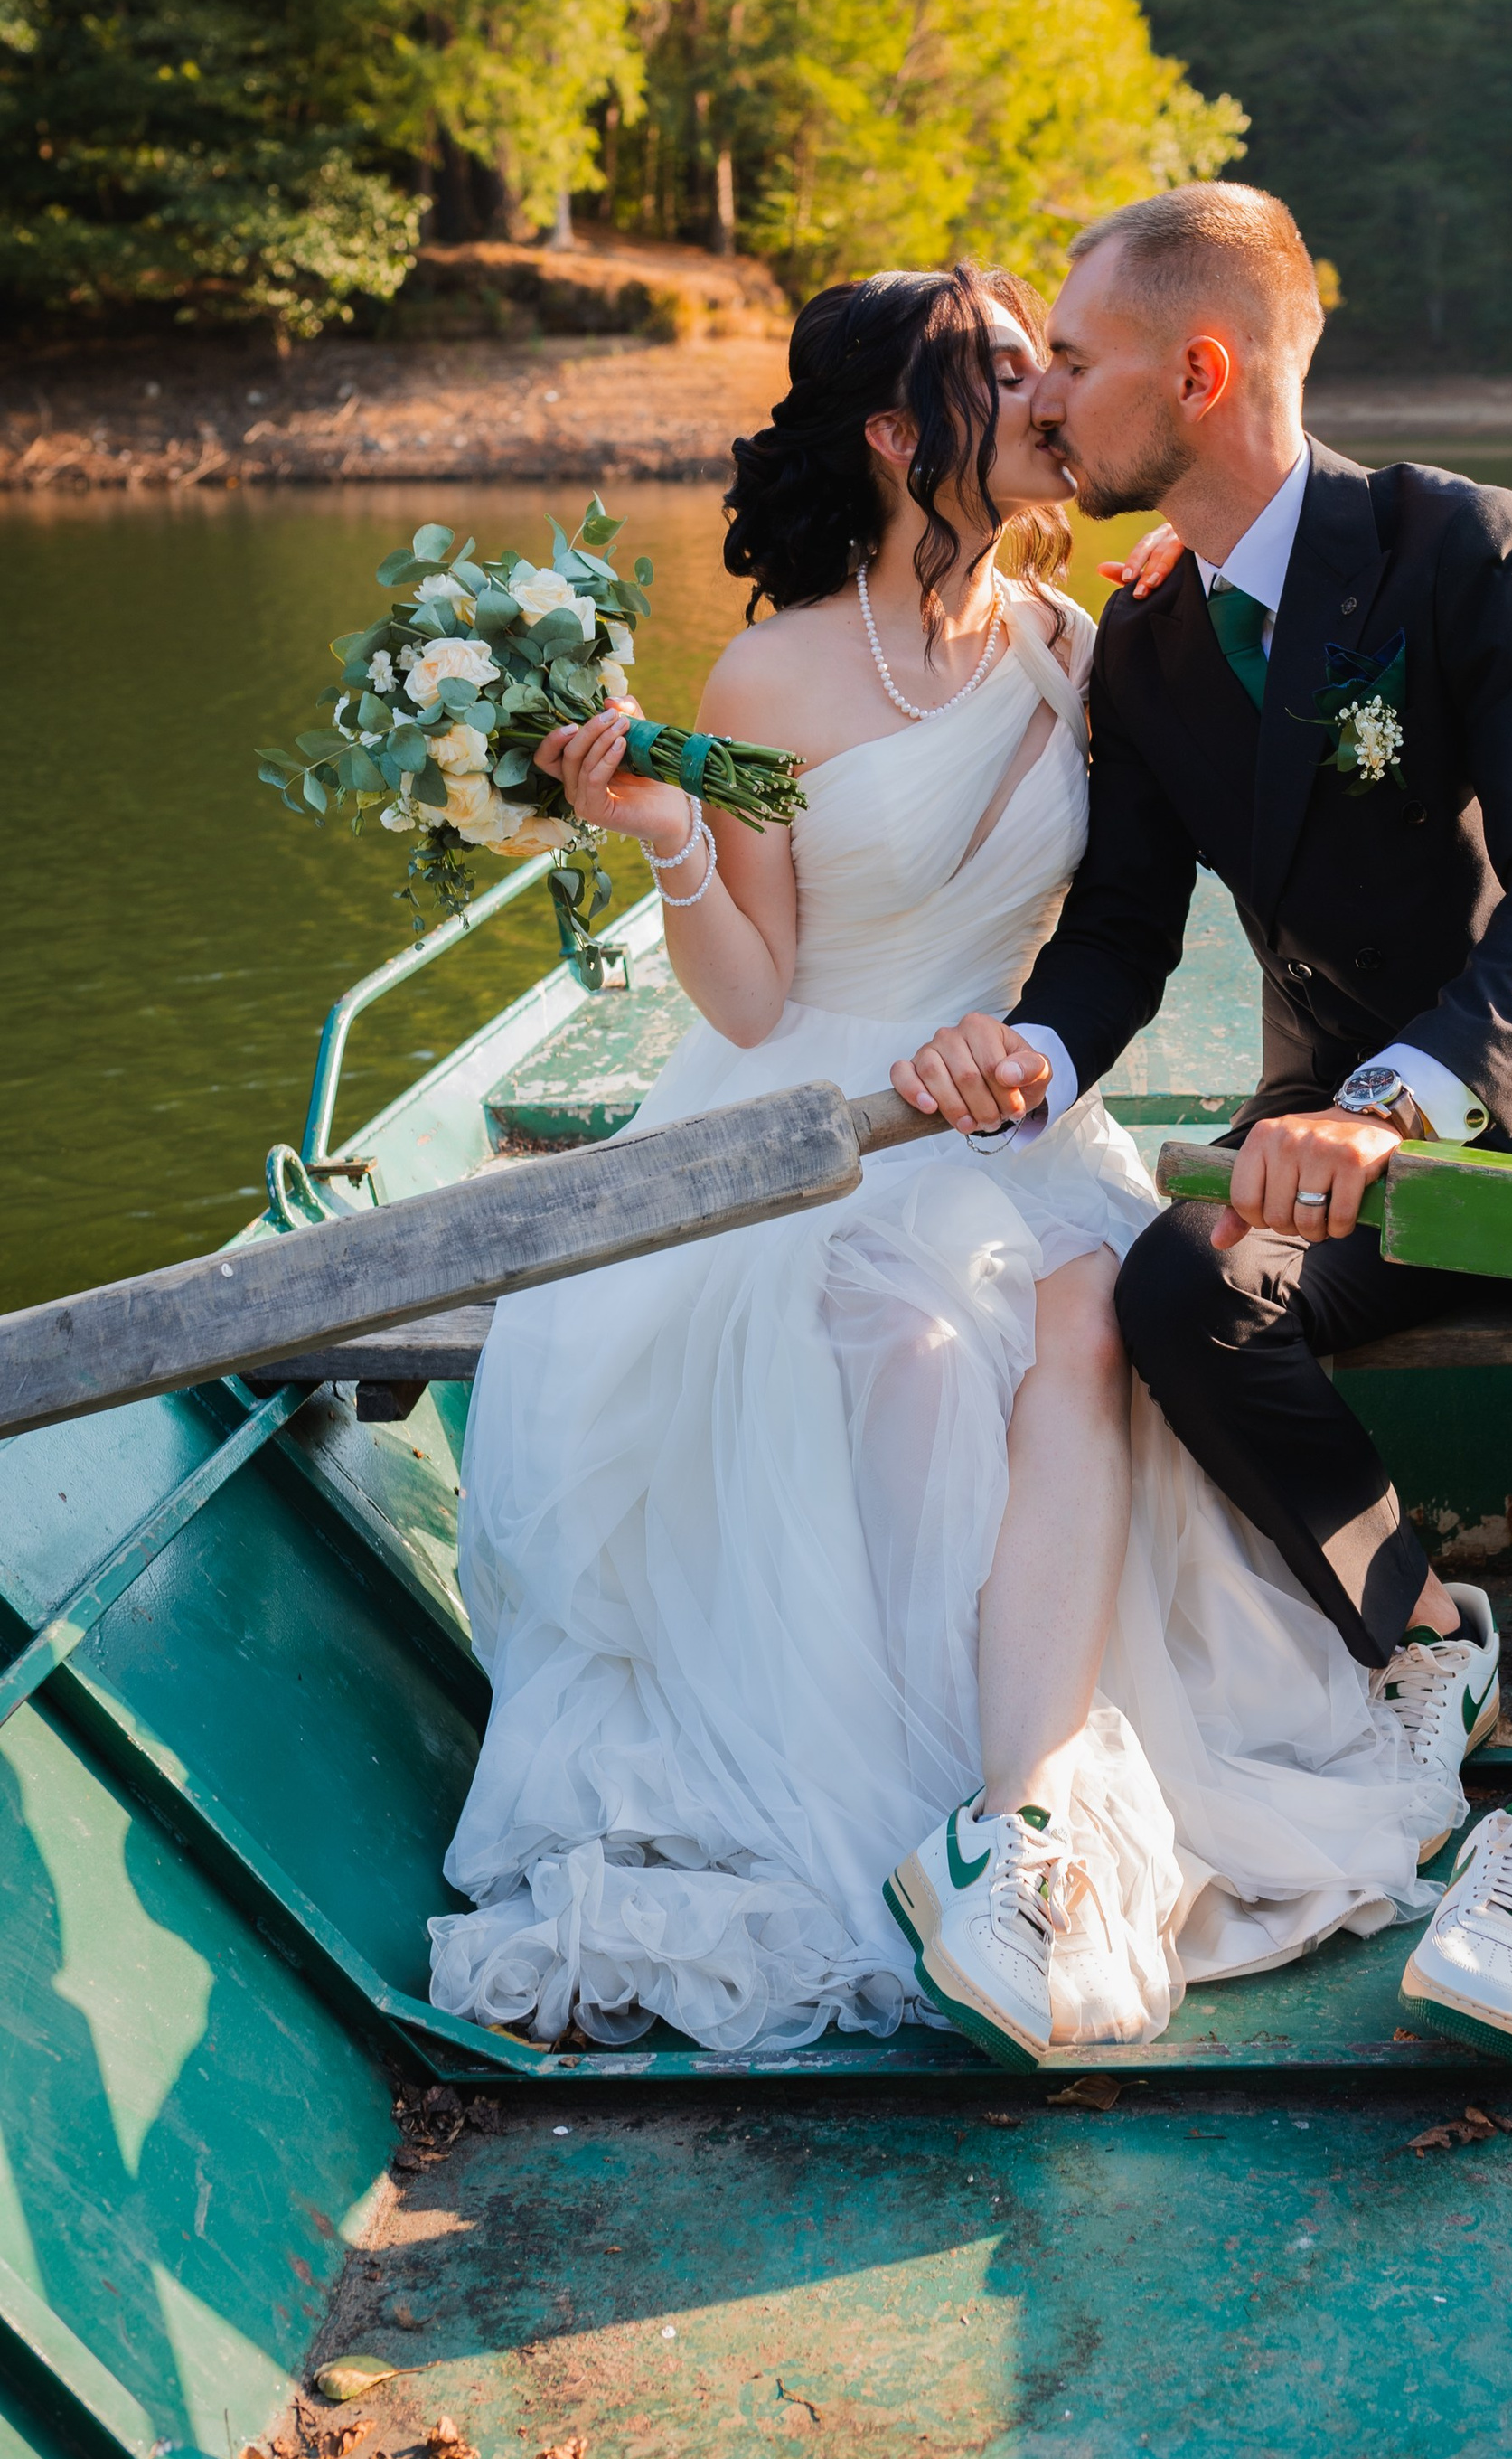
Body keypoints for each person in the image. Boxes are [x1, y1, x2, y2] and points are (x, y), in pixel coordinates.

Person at [427, 265, 1458, 2067]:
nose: (1049, 394)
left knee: (1086, 1317)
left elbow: (1131, 910)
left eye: (1054, 363)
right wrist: (674, 831)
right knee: (915, 1348)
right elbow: (748, 1002)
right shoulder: (770, 671)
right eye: (1004, 371)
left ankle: (1025, 1825)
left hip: (1014, 1111)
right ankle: (933, 1801)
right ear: (900, 436)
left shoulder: (1087, 646)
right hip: (817, 1123)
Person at [896, 185, 1512, 2060]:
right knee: (1169, 1290)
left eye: (1072, 360)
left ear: (1200, 371)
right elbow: (1123, 935)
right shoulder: (1145, 647)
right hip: (1321, 1132)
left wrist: (1408, 1098)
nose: (1045, 397)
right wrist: (1028, 1058)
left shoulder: (1471, 550)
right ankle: (1415, 1639)